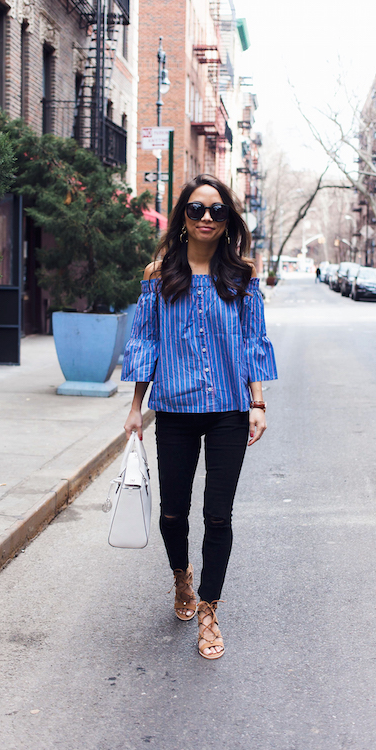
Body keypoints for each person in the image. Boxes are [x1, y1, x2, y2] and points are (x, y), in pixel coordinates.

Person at [121, 174, 277, 660]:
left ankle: (209, 609)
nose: (207, 217)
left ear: (227, 220)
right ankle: (181, 577)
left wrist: (257, 402)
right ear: (183, 218)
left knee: (218, 514)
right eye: (196, 209)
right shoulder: (158, 274)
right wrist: (135, 406)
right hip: (175, 408)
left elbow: (253, 342)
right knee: (173, 512)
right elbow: (145, 340)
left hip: (229, 409)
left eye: (216, 210)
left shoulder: (242, 276)